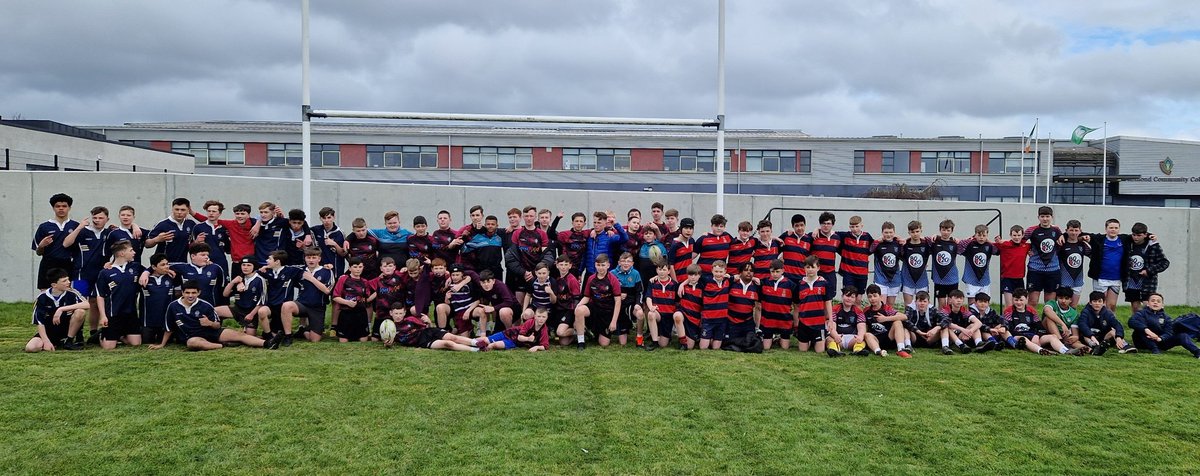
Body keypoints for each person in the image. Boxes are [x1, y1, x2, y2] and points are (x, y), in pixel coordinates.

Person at [164, 280, 280, 351]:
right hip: (193, 337)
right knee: (192, 344)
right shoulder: (173, 306)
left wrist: (209, 323)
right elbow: (168, 328)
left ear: (198, 293)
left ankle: (268, 343)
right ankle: (220, 345)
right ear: (182, 293)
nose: (190, 295)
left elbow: (217, 325)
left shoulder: (206, 305)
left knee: (240, 335)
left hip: (210, 332)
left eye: (194, 293)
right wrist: (162, 344)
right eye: (187, 293)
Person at [61, 205, 115, 341]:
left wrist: (112, 262)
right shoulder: (83, 231)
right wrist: (79, 227)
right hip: (81, 274)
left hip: (100, 274)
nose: (97, 220)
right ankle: (76, 334)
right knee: (80, 304)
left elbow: (121, 248)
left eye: (100, 218)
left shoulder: (109, 233)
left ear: (107, 219)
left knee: (95, 303)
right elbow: (66, 244)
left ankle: (93, 333)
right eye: (94, 218)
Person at [95, 240, 144, 349]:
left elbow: (150, 270)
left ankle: (120, 336)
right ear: (122, 253)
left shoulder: (135, 267)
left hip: (131, 312)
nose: (134, 252)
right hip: (114, 314)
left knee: (136, 343)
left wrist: (145, 273)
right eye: (131, 250)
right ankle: (100, 335)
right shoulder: (105, 272)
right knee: (109, 347)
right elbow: (100, 296)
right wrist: (103, 316)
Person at [25, 268, 88, 352]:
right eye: (64, 281)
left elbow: (87, 304)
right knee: (31, 348)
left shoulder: (72, 293)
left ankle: (68, 341)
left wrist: (61, 309)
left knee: (80, 311)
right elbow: (39, 322)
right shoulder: (42, 297)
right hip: (49, 332)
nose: (68, 282)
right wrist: (46, 341)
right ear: (54, 285)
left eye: (68, 279)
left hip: (67, 330)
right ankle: (53, 343)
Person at [282, 248, 334, 343]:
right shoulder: (300, 270)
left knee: (314, 339)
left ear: (319, 259)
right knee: (286, 306)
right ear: (305, 258)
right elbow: (281, 268)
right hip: (302, 305)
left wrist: (311, 278)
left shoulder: (327, 271)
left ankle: (305, 329)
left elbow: (327, 291)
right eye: (308, 257)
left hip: (317, 307)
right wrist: (264, 268)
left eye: (314, 257)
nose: (311, 260)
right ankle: (288, 336)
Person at [389, 302, 487, 352]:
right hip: (422, 341)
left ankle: (478, 343)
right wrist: (387, 343)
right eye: (396, 313)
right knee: (448, 344)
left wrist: (428, 321)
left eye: (400, 313)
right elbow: (388, 340)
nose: (398, 316)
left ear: (404, 313)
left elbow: (428, 326)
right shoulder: (389, 327)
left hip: (429, 332)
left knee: (452, 337)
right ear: (391, 313)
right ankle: (477, 350)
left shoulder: (410, 319)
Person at [1004, 289, 1076, 355]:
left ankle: (1066, 351)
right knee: (1023, 338)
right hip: (1017, 337)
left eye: (1021, 300)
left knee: (1052, 336)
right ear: (1013, 300)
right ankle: (1041, 351)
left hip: (1033, 337)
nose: (1019, 302)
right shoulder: (1008, 311)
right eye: (1016, 300)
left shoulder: (1031, 311)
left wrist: (1037, 336)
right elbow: (1009, 329)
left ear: (1026, 300)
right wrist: (1030, 336)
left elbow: (1039, 326)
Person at [574, 253, 623, 349]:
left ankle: (591, 332)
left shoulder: (613, 280)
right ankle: (581, 342)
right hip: (594, 308)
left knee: (604, 343)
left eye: (603, 265)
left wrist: (613, 321)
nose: (600, 268)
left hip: (607, 311)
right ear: (595, 265)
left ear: (608, 265)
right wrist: (578, 306)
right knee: (579, 310)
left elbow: (618, 301)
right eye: (598, 265)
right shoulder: (591, 278)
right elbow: (586, 297)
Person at [33, 193, 79, 291]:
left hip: (68, 264)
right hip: (48, 264)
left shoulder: (76, 226)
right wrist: (41, 246)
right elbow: (38, 252)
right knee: (45, 294)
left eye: (64, 206)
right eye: (58, 206)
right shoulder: (44, 227)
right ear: (53, 208)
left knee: (67, 294)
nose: (61, 209)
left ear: (69, 208)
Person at [1128, 293, 1198, 356]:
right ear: (1148, 304)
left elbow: (1169, 332)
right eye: (1153, 301)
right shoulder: (1141, 313)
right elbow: (1131, 321)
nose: (1155, 302)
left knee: (1183, 336)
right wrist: (1147, 330)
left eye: (1158, 301)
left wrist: (1160, 338)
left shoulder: (1166, 318)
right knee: (1140, 329)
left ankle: (1197, 352)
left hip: (1160, 342)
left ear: (1162, 305)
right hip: (1142, 342)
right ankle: (1154, 350)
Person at [1083, 218, 1130, 311]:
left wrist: (1150, 236)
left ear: (1119, 229)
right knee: (1099, 305)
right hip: (1101, 278)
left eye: (1116, 228)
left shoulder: (1124, 239)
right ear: (1106, 229)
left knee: (1111, 306)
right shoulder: (1099, 239)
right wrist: (1085, 238)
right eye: (1111, 227)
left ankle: (1110, 324)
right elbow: (1080, 234)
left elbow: (1139, 235)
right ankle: (1094, 323)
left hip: (1116, 278)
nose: (1113, 230)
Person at [1122, 222, 1169, 313]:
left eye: (1139, 235)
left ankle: (1151, 325)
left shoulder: (1153, 245)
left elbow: (1164, 262)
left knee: (1148, 306)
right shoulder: (1128, 243)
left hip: (1147, 280)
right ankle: (1137, 326)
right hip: (1131, 279)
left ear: (1145, 235)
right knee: (1135, 307)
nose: (1136, 237)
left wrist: (1149, 271)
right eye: (1134, 235)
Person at [218, 256, 269, 335]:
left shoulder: (260, 280)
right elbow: (225, 294)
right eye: (243, 265)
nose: (245, 267)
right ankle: (215, 331)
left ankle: (263, 336)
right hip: (238, 308)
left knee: (250, 337)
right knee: (213, 311)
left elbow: (262, 301)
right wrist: (232, 282)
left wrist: (251, 315)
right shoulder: (239, 279)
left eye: (249, 265)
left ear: (254, 266)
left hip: (251, 311)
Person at [1075, 291, 1136, 355]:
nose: (1097, 304)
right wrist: (1091, 336)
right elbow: (1082, 325)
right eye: (1094, 301)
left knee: (1113, 332)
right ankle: (1095, 347)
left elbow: (1117, 324)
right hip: (1089, 337)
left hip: (1102, 337)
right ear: (1090, 302)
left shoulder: (1107, 313)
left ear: (1103, 303)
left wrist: (1119, 336)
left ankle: (1125, 346)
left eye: (1099, 301)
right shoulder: (1085, 312)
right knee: (1085, 335)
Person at [1024, 206, 1063, 306]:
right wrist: (1027, 249)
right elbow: (1019, 242)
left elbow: (1064, 239)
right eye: (1042, 216)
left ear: (1052, 217)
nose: (1045, 219)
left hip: (1053, 270)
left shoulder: (1057, 230)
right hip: (1035, 270)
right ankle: (1032, 321)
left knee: (1050, 303)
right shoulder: (1031, 230)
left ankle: (1047, 322)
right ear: (1038, 217)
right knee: (1032, 301)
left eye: (1047, 216)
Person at [332, 257, 375, 342]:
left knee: (363, 340)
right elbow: (335, 297)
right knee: (343, 341)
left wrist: (378, 291)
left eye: (360, 267)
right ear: (349, 268)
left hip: (361, 313)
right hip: (346, 313)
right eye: (355, 267)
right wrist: (347, 302)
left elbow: (367, 299)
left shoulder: (365, 282)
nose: (358, 269)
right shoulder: (343, 279)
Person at [938, 289, 994, 354]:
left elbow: (979, 323)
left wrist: (970, 332)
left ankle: (979, 344)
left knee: (974, 325)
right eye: (956, 298)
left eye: (961, 298)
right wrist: (963, 330)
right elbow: (946, 323)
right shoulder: (945, 310)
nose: (959, 300)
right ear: (950, 300)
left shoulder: (963, 310)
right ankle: (950, 346)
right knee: (946, 327)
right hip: (948, 335)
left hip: (960, 334)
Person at [795, 256, 832, 353]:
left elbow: (828, 302)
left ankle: (818, 340)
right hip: (804, 322)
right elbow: (797, 306)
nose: (810, 270)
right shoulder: (800, 284)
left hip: (818, 323)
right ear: (804, 268)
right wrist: (796, 323)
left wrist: (830, 320)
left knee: (819, 351)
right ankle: (810, 341)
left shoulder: (824, 283)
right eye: (808, 267)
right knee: (802, 351)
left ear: (818, 268)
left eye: (813, 267)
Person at [862, 284, 911, 358]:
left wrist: (885, 318)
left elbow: (904, 316)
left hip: (888, 337)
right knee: (867, 334)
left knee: (897, 322)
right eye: (870, 296)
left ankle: (901, 349)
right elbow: (863, 326)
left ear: (880, 297)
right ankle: (878, 351)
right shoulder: (866, 311)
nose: (872, 299)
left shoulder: (886, 308)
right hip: (875, 339)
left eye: (875, 296)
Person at [145, 197, 197, 264]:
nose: (179, 212)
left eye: (183, 210)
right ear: (172, 209)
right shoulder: (162, 224)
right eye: (177, 209)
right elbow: (147, 244)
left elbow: (192, 246)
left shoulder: (190, 224)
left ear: (188, 210)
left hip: (183, 264)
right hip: (164, 265)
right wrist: (156, 239)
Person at [758, 259, 796, 350]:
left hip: (784, 320)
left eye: (777, 271)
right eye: (772, 271)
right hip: (768, 321)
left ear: (783, 270)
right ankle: (771, 338)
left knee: (785, 348)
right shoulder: (764, 283)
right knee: (766, 347)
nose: (775, 274)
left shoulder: (791, 285)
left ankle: (778, 339)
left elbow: (796, 305)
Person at [644, 259, 681, 351]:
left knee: (663, 344)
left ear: (669, 271)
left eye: (664, 270)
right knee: (651, 314)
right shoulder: (652, 282)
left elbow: (678, 301)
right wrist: (651, 307)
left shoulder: (674, 284)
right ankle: (654, 342)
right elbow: (648, 297)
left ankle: (664, 337)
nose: (661, 272)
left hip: (668, 315)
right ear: (656, 270)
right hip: (658, 313)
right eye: (659, 269)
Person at [141, 253, 176, 348]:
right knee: (145, 343)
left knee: (170, 343)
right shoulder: (143, 279)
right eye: (163, 265)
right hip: (148, 322)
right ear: (153, 267)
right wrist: (146, 272)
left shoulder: (172, 277)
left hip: (165, 322)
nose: (167, 267)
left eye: (167, 264)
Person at [436, 264, 480, 337]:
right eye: (453, 275)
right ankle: (442, 332)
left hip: (469, 309)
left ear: (462, 274)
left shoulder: (469, 284)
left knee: (464, 337)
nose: (455, 277)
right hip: (457, 310)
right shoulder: (449, 284)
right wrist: (447, 297)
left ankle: (480, 332)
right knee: (440, 307)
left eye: (457, 275)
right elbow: (447, 302)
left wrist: (468, 311)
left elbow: (477, 299)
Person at [191, 200, 232, 278]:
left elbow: (228, 249)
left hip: (221, 263)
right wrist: (197, 242)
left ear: (219, 213)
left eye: (214, 211)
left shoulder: (224, 228)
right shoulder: (198, 227)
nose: (211, 213)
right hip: (204, 263)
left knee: (223, 286)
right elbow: (191, 248)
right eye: (209, 211)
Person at [483, 306, 551, 352]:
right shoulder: (529, 322)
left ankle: (479, 348)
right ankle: (473, 343)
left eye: (543, 317)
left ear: (547, 318)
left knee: (494, 345)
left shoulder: (544, 330)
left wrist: (537, 347)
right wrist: (528, 339)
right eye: (539, 316)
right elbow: (519, 337)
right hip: (510, 333)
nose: (541, 319)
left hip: (514, 342)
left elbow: (545, 346)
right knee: (486, 340)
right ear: (535, 316)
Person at [961, 225, 999, 305]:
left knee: (984, 302)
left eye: (984, 235)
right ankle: (972, 317)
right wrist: (968, 240)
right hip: (970, 279)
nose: (981, 238)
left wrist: (990, 241)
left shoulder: (989, 246)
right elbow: (958, 247)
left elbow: (998, 251)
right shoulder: (969, 245)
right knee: (972, 303)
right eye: (979, 235)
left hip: (984, 280)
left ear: (987, 236)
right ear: (975, 235)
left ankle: (983, 317)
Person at [698, 260, 732, 350]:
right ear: (712, 270)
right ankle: (707, 338)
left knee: (716, 348)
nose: (718, 274)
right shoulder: (705, 280)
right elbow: (692, 277)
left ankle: (712, 339)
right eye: (716, 271)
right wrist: (683, 284)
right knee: (703, 348)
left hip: (722, 320)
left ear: (725, 271)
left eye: (721, 272)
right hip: (708, 319)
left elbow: (740, 277)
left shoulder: (728, 281)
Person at [474, 270, 520, 336]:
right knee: (496, 335)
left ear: (493, 281)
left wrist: (493, 308)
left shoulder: (500, 286)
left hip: (513, 309)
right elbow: (471, 273)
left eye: (488, 281)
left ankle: (510, 333)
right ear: (480, 283)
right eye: (483, 282)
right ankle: (484, 332)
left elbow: (509, 302)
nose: (486, 284)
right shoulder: (481, 288)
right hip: (498, 312)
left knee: (503, 311)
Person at [807, 211, 841, 300]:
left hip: (830, 273)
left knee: (829, 298)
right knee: (815, 297)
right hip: (816, 273)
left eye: (828, 223)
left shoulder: (837, 237)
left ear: (832, 224)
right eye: (823, 223)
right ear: (820, 224)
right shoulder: (813, 236)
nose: (826, 226)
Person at [995, 224, 1031, 308]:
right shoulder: (1004, 245)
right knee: (1009, 305)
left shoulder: (1026, 246)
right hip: (1007, 278)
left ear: (1022, 235)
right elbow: (990, 244)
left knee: (1021, 304)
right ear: (1010, 235)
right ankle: (1007, 320)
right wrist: (998, 240)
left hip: (1019, 278)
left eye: (1019, 235)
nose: (1016, 237)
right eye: (1014, 235)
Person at [836, 215, 873, 294]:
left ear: (861, 226)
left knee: (858, 299)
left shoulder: (867, 236)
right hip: (848, 273)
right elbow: (829, 233)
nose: (855, 229)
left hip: (862, 273)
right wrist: (817, 229)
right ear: (849, 227)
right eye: (852, 226)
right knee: (848, 296)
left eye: (857, 226)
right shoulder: (845, 236)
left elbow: (873, 248)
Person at [613, 253, 643, 346]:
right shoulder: (612, 273)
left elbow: (640, 291)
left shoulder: (635, 273)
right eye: (623, 261)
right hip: (619, 306)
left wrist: (638, 303)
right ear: (619, 262)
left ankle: (639, 337)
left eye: (628, 261)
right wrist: (617, 294)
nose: (626, 263)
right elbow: (607, 290)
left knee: (640, 313)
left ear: (632, 263)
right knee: (623, 343)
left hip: (631, 304)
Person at [549, 256, 581, 344]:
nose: (563, 267)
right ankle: (574, 336)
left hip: (568, 310)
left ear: (570, 266)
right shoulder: (556, 279)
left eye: (566, 264)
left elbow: (577, 299)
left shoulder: (572, 280)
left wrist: (575, 317)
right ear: (557, 265)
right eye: (561, 264)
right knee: (564, 343)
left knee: (560, 332)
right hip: (558, 310)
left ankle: (580, 331)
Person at [1057, 220, 1090, 305]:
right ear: (1066, 230)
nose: (1074, 233)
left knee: (1073, 307)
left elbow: (1094, 255)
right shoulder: (1061, 244)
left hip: (1078, 281)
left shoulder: (1083, 244)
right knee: (1062, 306)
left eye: (1076, 230)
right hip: (1064, 281)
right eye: (1071, 230)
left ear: (1080, 231)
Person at [826, 286, 865, 357]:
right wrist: (836, 336)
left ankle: (858, 351)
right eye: (847, 296)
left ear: (855, 299)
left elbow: (862, 327)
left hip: (852, 338)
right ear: (842, 296)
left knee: (862, 340)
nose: (849, 299)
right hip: (838, 336)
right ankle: (835, 351)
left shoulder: (859, 311)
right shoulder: (834, 309)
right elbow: (832, 326)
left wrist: (860, 337)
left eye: (852, 297)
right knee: (829, 339)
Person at [900, 221, 932, 307]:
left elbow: (935, 240)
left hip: (922, 280)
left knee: (923, 306)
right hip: (908, 279)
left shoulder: (926, 245)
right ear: (909, 232)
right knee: (908, 307)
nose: (915, 234)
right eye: (912, 232)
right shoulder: (904, 245)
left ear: (921, 231)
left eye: (917, 231)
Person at [726, 262, 760, 343]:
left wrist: (757, 327)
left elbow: (759, 307)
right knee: (730, 343)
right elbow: (720, 278)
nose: (749, 272)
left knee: (752, 343)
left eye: (751, 271)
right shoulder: (731, 283)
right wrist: (731, 278)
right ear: (740, 272)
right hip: (732, 322)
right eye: (745, 270)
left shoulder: (757, 286)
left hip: (748, 322)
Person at [872, 221, 903, 309]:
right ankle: (881, 322)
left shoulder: (898, 244)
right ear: (882, 233)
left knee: (890, 305)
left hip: (894, 278)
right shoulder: (878, 244)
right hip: (881, 279)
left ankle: (889, 322)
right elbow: (869, 251)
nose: (888, 235)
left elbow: (904, 257)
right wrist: (876, 241)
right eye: (886, 232)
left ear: (894, 233)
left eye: (890, 232)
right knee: (881, 304)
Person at [676, 264, 705, 350]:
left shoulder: (703, 287)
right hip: (683, 313)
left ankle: (692, 338)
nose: (693, 277)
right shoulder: (682, 287)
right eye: (690, 275)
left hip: (694, 319)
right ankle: (682, 341)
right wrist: (682, 284)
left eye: (695, 275)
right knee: (677, 316)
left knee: (690, 347)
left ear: (699, 275)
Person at [311, 207, 347, 276]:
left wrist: (335, 244)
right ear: (320, 218)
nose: (326, 221)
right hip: (320, 269)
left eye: (329, 217)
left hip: (336, 270)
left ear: (334, 217)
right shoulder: (316, 230)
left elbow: (344, 253)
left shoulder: (340, 233)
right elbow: (304, 227)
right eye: (324, 218)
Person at [557, 212, 591, 277]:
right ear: (572, 223)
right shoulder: (565, 234)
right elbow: (551, 233)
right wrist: (557, 218)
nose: (578, 223)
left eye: (581, 221)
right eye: (576, 221)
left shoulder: (586, 234)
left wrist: (608, 230)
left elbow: (599, 228)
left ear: (584, 224)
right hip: (565, 267)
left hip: (578, 268)